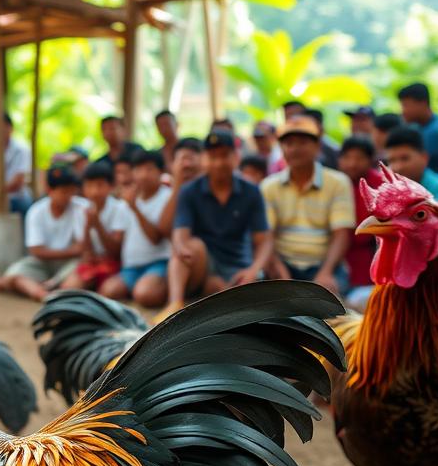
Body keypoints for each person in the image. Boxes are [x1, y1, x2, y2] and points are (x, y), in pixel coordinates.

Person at [163, 130, 272, 318]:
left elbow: (264, 240)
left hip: (238, 265)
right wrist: (181, 247)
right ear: (204, 159)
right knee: (189, 247)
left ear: (236, 157)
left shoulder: (251, 191)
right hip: (205, 263)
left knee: (226, 292)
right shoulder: (189, 191)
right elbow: (180, 232)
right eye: (213, 156)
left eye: (225, 155)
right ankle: (174, 304)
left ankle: (216, 290)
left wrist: (253, 270)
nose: (219, 162)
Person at [260, 116, 355, 295]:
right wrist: (281, 274)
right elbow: (267, 237)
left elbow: (341, 235)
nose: (295, 149)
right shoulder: (268, 186)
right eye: (289, 143)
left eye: (303, 142)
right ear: (281, 148)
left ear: (317, 146)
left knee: (330, 311)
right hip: (283, 264)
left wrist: (325, 273)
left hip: (325, 264)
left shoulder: (338, 182)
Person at [0, 164, 87, 301]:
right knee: (16, 273)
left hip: (68, 263)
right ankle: (42, 293)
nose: (68, 196)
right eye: (64, 191)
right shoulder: (36, 211)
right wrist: (73, 251)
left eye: (71, 191)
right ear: (50, 190)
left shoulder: (82, 207)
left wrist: (75, 252)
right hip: (42, 262)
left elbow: (83, 249)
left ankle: (42, 289)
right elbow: (36, 251)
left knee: (80, 267)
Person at [100, 149, 172, 307]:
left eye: (150, 169)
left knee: (145, 295)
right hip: (130, 267)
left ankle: (157, 286)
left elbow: (156, 238)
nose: (143, 175)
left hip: (158, 262)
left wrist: (135, 208)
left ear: (161, 172)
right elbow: (117, 243)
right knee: (108, 291)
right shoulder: (124, 202)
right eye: (139, 169)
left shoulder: (167, 197)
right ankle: (140, 286)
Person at [338, 136, 381, 311]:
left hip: (368, 258)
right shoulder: (335, 183)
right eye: (347, 157)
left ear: (370, 160)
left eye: (359, 158)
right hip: (340, 256)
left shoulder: (380, 185)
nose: (352, 163)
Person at [74, 162, 130, 292]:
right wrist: (88, 226)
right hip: (93, 263)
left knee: (108, 291)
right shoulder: (81, 210)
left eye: (100, 185)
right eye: (89, 185)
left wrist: (97, 224)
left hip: (114, 263)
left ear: (110, 186)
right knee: (71, 287)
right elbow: (85, 252)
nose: (94, 191)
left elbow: (115, 251)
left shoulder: (119, 208)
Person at [384, 126, 438, 200]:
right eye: (391, 161)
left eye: (405, 158)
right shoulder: (390, 191)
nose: (398, 167)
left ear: (424, 158)